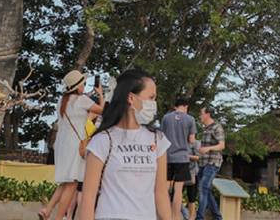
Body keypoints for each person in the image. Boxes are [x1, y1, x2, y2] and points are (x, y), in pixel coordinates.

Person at [79, 69, 172, 220]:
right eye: (151, 97)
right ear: (131, 97)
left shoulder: (157, 139)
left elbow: (161, 193)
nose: (153, 104)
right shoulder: (103, 140)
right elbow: (88, 197)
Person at [39, 71, 104, 220]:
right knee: (72, 184)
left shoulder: (61, 102)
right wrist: (100, 95)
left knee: (66, 181)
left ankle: (48, 209)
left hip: (62, 145)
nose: (84, 85)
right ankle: (59, 217)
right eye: (82, 83)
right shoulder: (81, 100)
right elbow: (102, 110)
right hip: (76, 145)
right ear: (76, 86)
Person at [160, 98, 197, 220]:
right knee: (178, 189)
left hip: (167, 156)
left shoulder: (166, 118)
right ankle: (176, 217)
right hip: (182, 157)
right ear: (186, 106)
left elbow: (161, 136)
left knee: (165, 187)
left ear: (176, 107)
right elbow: (192, 140)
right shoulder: (190, 119)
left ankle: (163, 215)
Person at [195, 105, 226, 220]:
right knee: (206, 190)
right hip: (203, 163)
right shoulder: (206, 129)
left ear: (208, 114)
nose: (200, 116)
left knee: (203, 188)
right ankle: (218, 217)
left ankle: (199, 217)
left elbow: (222, 145)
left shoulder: (217, 127)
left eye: (201, 113)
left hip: (212, 163)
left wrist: (208, 148)